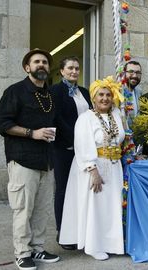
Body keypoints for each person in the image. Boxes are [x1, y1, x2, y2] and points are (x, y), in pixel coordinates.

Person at [0, 48, 60, 270]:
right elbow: (0, 123)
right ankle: (22, 253)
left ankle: (37, 248)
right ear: (27, 67)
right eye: (37, 62)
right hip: (22, 160)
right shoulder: (15, 91)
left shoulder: (49, 94)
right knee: (23, 209)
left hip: (47, 161)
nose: (42, 65)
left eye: (45, 62)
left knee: (42, 210)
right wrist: (32, 133)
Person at [59, 76, 125, 261]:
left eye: (108, 95)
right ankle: (94, 245)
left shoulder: (117, 114)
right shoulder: (85, 118)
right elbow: (82, 144)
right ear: (93, 98)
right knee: (96, 207)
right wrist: (92, 170)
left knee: (111, 206)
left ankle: (111, 243)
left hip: (114, 165)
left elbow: (120, 139)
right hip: (94, 166)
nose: (105, 98)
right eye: (100, 95)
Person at [50, 56, 92, 250]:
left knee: (80, 189)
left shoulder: (84, 92)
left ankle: (80, 229)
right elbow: (56, 119)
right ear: (62, 71)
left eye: (77, 68)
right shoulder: (55, 91)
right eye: (70, 68)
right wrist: (76, 138)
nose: (74, 71)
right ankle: (62, 231)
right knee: (63, 189)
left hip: (85, 148)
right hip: (65, 148)